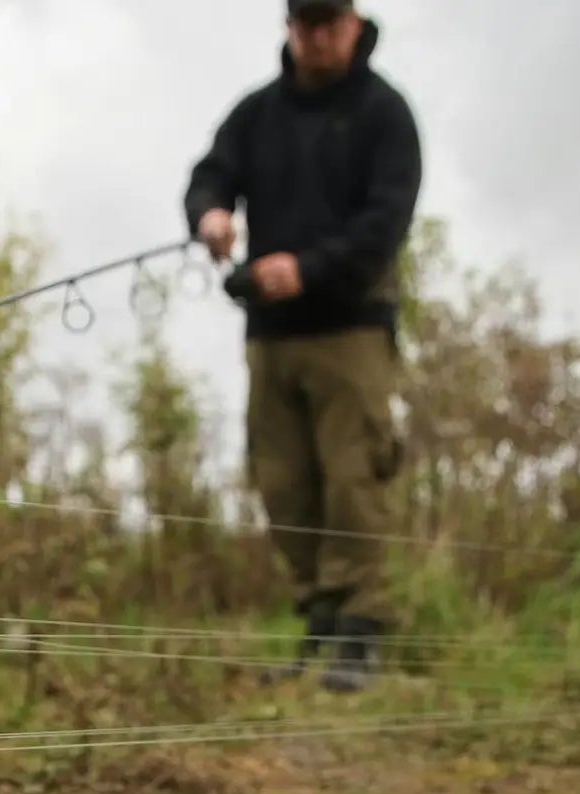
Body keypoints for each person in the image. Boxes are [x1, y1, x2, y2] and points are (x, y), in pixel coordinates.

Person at [182, 0, 422, 692]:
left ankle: (361, 632)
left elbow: (387, 219)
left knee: (354, 476)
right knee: (284, 481)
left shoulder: (385, 113)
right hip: (271, 336)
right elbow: (209, 174)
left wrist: (308, 269)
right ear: (289, 28)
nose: (316, 38)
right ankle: (317, 625)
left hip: (352, 325)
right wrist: (212, 214)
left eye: (328, 24)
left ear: (353, 25)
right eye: (304, 24)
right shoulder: (257, 113)